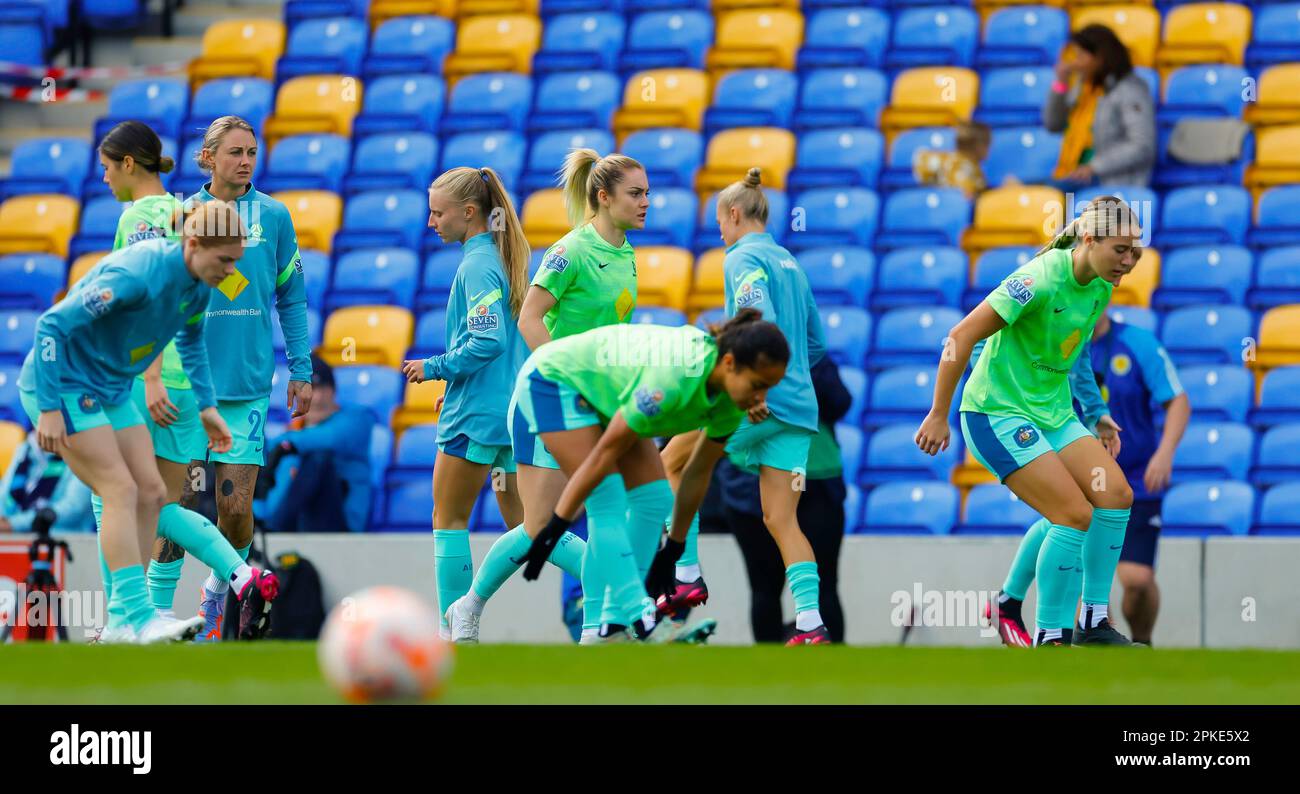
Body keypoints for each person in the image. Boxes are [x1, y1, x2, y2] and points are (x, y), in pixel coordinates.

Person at [15, 201, 251, 644]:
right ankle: (138, 618)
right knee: (118, 488)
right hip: (63, 382)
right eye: (226, 260)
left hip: (110, 386)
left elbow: (192, 341)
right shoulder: (137, 274)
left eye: (236, 259)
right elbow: (51, 326)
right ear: (194, 244)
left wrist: (207, 407)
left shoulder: (199, 285)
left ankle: (125, 620)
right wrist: (47, 408)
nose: (231, 270)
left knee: (151, 491)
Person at [915, 196, 1142, 647]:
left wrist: (1095, 412)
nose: (1130, 261)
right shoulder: (1037, 279)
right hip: (995, 412)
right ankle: (1049, 636)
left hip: (1052, 413)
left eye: (1136, 251)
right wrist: (938, 412)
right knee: (1073, 513)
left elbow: (1075, 351)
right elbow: (960, 336)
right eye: (1121, 249)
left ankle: (1093, 622)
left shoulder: (1099, 285)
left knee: (1115, 496)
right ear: (1091, 239)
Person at [89, 120, 280, 641]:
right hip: (189, 382)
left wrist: (148, 377)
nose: (103, 178)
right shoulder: (182, 213)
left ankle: (125, 619)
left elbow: (146, 303)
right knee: (158, 503)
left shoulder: (142, 218)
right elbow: (207, 299)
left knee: (114, 498)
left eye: (107, 167)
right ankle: (232, 579)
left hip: (142, 377)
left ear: (129, 164)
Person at [457, 148, 647, 644]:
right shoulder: (571, 251)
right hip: (551, 398)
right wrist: (571, 375)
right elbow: (528, 320)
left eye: (647, 192)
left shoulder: (626, 253)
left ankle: (596, 633)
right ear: (604, 198)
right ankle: (468, 605)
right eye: (636, 193)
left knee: (608, 516)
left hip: (597, 403)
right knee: (538, 529)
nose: (647, 202)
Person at [516, 313, 790, 641]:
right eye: (757, 386)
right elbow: (604, 454)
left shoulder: (730, 404)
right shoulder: (673, 380)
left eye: (768, 389)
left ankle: (612, 626)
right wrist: (557, 523)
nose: (760, 400)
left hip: (604, 395)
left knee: (655, 498)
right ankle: (641, 618)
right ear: (729, 363)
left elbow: (696, 474)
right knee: (608, 496)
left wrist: (674, 549)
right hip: (552, 379)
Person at [400, 165, 573, 642]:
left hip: (474, 417)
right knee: (527, 525)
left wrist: (434, 368)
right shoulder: (504, 257)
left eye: (438, 213)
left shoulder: (476, 264)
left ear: (469, 213)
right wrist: (455, 385)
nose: (431, 222)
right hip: (508, 413)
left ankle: (451, 632)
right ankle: (617, 578)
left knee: (449, 518)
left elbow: (487, 340)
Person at [659, 168, 832, 645]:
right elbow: (815, 343)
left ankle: (687, 574)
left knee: (669, 463)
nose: (719, 232)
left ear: (734, 215)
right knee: (781, 519)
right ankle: (812, 624)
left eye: (720, 222)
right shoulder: (790, 262)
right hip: (798, 409)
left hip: (760, 400)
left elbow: (762, 326)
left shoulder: (741, 258)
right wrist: (787, 381)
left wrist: (755, 390)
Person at [181, 115, 314, 642]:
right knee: (181, 505)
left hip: (246, 388)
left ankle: (217, 594)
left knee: (236, 508)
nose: (245, 161)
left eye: (252, 152)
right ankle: (151, 615)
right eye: (235, 152)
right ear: (209, 157)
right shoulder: (184, 214)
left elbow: (292, 296)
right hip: (186, 389)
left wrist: (300, 370)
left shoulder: (275, 216)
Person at [990, 309, 1189, 647]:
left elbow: (1178, 400)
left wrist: (1165, 452)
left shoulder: (1137, 343)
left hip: (1136, 477)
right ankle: (1025, 609)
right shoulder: (1053, 342)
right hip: (1078, 470)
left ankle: (1141, 640)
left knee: (1137, 580)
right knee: (1073, 536)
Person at [716, 356, 850, 643]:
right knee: (784, 586)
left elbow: (839, 402)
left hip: (790, 474)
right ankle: (818, 671)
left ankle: (787, 673)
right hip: (782, 473)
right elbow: (839, 402)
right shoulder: (801, 354)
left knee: (783, 587)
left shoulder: (749, 354)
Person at [261, 354, 376, 533]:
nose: (315, 398)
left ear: (333, 391)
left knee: (319, 457)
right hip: (295, 526)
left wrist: (281, 445)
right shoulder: (292, 435)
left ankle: (274, 530)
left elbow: (330, 438)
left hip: (339, 527)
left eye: (320, 388)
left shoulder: (358, 420)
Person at [1045, 24, 1156, 190]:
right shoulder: (1083, 88)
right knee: (1034, 191)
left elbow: (1142, 146)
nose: (1075, 63)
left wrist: (1095, 166)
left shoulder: (1130, 90)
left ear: (1100, 58)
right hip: (1073, 175)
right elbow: (1054, 124)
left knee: (1044, 196)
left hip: (1110, 181)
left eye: (1081, 56)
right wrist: (1061, 84)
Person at [0, 430, 94, 533]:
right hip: (15, 540)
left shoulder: (82, 451)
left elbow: (74, 508)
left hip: (69, 542)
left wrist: (13, 524)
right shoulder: (25, 448)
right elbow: (3, 495)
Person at [912, 121, 993, 199]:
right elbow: (968, 198)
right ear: (979, 146)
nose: (989, 150)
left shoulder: (942, 159)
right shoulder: (971, 172)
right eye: (988, 144)